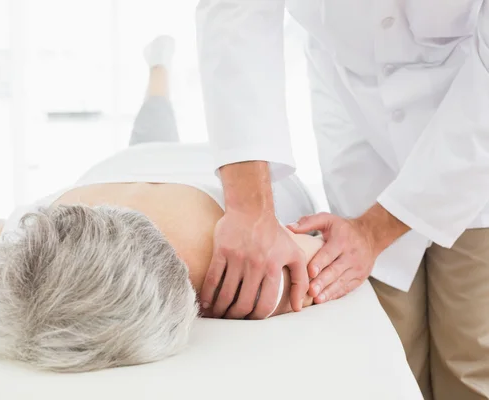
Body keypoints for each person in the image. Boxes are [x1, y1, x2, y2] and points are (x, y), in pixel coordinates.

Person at [0, 36, 323, 373]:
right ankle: (159, 68)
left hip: (169, 171)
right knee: (151, 133)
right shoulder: (2, 260)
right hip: (121, 170)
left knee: (154, 132)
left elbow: (315, 253)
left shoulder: (214, 265)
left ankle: (159, 69)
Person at [196, 1, 489, 399]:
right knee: (385, 347)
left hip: (471, 104)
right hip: (355, 102)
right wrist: (250, 209)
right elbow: (237, 13)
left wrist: (372, 233)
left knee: (472, 353)